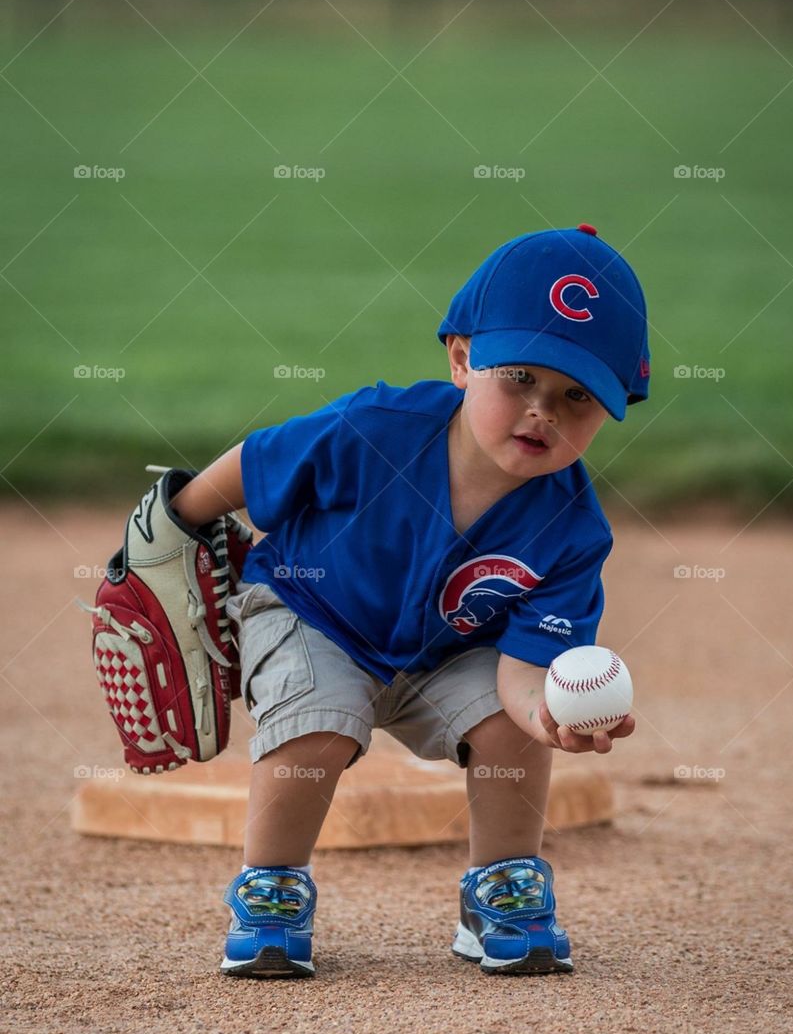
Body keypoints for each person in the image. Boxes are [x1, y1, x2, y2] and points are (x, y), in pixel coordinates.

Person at [171, 223, 649, 978]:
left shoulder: (573, 531)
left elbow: (523, 671)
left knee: (507, 731)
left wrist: (547, 715)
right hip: (308, 613)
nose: (543, 410)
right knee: (318, 725)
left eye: (577, 396)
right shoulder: (377, 428)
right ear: (462, 359)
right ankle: (272, 887)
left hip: (441, 656)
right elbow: (259, 462)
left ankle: (502, 886)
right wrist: (180, 518)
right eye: (520, 376)